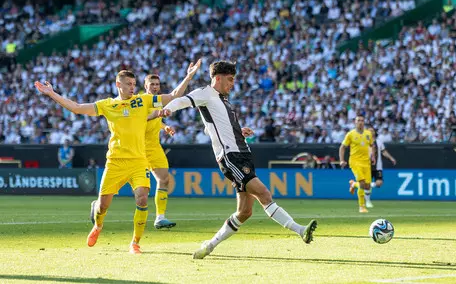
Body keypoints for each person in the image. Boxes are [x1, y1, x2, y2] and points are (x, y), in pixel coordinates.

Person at [157, 61, 317, 259]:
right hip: (230, 157)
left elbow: (220, 127)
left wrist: (240, 131)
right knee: (264, 194)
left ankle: (209, 245)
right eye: (230, 79)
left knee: (244, 212)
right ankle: (301, 231)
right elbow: (183, 101)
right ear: (217, 78)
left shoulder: (224, 101)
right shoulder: (206, 93)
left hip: (243, 153)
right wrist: (168, 110)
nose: (232, 84)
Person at [34, 65, 199, 255]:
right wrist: (52, 94)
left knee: (143, 198)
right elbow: (77, 108)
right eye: (128, 84)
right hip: (115, 162)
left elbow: (173, 95)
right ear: (118, 84)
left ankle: (135, 243)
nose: (132, 87)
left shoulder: (143, 100)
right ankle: (97, 224)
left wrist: (189, 75)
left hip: (138, 161)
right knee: (103, 206)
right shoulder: (107, 105)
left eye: (134, 84)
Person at [144, 59, 202, 229]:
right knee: (138, 189)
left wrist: (164, 126)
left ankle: (160, 217)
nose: (155, 86)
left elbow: (176, 94)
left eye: (157, 84)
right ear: (145, 86)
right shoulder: (139, 101)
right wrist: (156, 116)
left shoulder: (156, 101)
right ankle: (99, 205)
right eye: (152, 84)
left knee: (164, 179)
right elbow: (142, 119)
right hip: (136, 148)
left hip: (153, 148)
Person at [339, 115, 376, 213]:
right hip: (355, 162)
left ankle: (353, 184)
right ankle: (362, 206)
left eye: (362, 120)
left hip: (366, 163)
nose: (360, 122)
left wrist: (373, 156)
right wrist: (341, 160)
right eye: (358, 120)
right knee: (363, 184)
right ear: (355, 122)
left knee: (368, 186)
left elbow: (372, 145)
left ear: (364, 122)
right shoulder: (350, 134)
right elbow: (342, 147)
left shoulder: (368, 133)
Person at [365, 127, 397, 208]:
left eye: (372, 130)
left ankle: (371, 185)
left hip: (378, 167)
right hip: (367, 166)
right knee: (366, 185)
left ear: (374, 132)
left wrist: (391, 158)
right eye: (369, 130)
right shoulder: (364, 142)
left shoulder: (379, 142)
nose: (370, 132)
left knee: (379, 183)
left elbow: (384, 152)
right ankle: (368, 201)